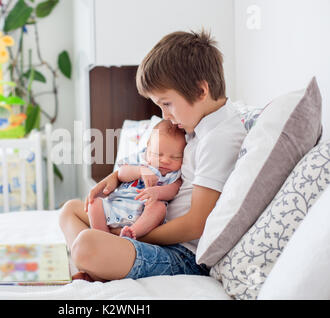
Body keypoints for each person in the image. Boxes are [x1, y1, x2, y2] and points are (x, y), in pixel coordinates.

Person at [59, 29, 247, 282]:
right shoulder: (195, 124)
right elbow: (145, 164)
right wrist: (115, 177)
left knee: (87, 245)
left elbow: (196, 224)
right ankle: (94, 267)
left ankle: (95, 263)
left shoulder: (219, 138)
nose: (164, 115)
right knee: (70, 210)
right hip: (146, 223)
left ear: (201, 91)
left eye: (167, 104)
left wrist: (132, 234)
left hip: (180, 252)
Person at [88, 120, 186, 240]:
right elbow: (121, 173)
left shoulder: (173, 174)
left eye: (176, 157)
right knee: (94, 204)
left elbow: (174, 190)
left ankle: (131, 232)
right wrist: (140, 171)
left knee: (159, 208)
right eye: (158, 154)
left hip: (143, 214)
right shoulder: (140, 159)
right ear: (148, 149)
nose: (165, 160)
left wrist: (157, 193)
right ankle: (102, 238)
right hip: (117, 206)